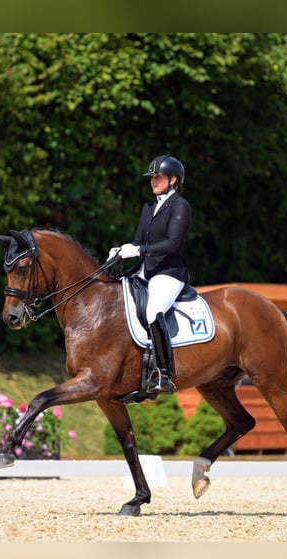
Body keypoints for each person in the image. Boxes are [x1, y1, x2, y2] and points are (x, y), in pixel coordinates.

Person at [108, 154, 192, 396]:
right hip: (145, 271)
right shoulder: (148, 207)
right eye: (152, 177)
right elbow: (138, 241)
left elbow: (173, 244)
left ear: (173, 179)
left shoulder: (180, 207)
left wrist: (140, 250)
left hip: (168, 273)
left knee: (154, 312)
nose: (153, 181)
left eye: (158, 177)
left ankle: (165, 374)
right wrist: (123, 249)